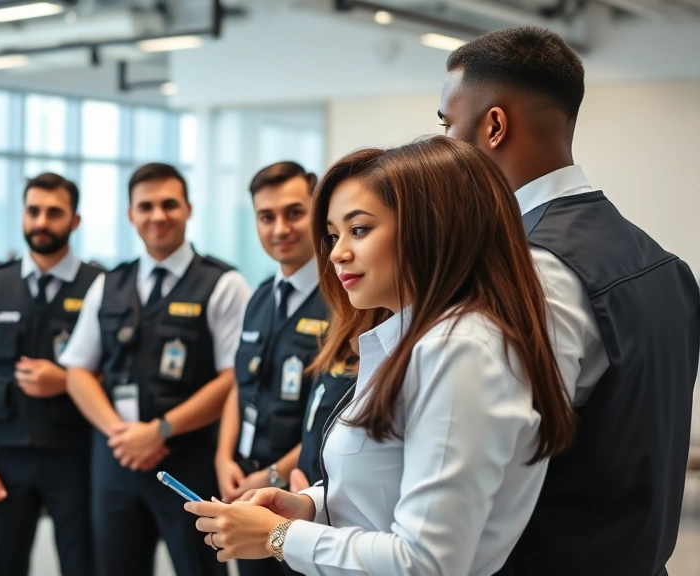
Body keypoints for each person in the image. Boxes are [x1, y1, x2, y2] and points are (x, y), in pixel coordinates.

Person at [185, 136, 577, 575]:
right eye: (333, 235)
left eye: (359, 230)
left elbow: (427, 562)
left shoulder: (459, 352)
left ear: (432, 228)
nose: (336, 254)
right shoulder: (409, 338)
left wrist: (278, 537)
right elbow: (386, 490)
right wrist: (309, 506)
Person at [438, 27, 700, 576]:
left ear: (493, 126)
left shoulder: (531, 271)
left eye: (447, 125)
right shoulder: (664, 264)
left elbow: (485, 466)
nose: (443, 148)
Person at [59, 162, 251, 576]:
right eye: (145, 206)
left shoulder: (223, 284)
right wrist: (123, 435)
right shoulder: (108, 284)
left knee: (198, 567)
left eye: (169, 204)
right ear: (131, 214)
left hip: (190, 459)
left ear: (188, 209)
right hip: (117, 460)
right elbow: (77, 371)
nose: (157, 216)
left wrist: (159, 430)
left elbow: (233, 378)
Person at [0, 173, 100, 576]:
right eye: (33, 211)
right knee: (3, 564)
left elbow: (116, 378)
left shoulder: (100, 286)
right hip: (3, 457)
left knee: (83, 563)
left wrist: (66, 380)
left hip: (77, 456)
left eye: (55, 213)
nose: (42, 222)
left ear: (75, 220)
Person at [214, 161, 322, 576]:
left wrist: (272, 474)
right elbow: (240, 388)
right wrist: (225, 458)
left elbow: (334, 411)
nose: (280, 228)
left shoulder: (345, 300)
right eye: (267, 216)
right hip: (247, 487)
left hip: (303, 494)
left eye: (294, 212)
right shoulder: (259, 297)